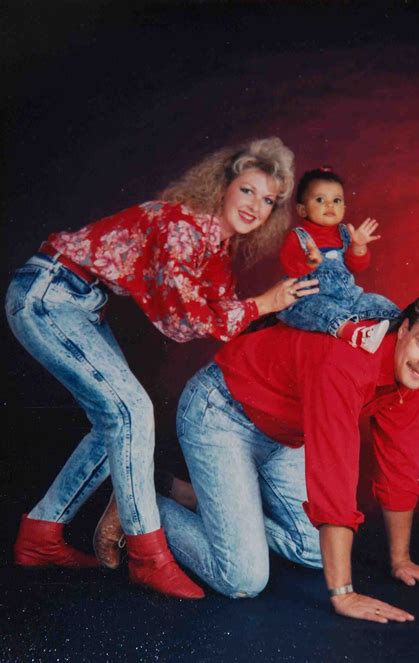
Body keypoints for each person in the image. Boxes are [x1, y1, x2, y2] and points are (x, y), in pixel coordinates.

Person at [5, 137, 318, 599]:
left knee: (114, 421)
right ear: (223, 186)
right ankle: (149, 554)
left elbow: (229, 314)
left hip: (80, 302)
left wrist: (295, 280)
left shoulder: (215, 249)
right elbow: (182, 323)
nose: (256, 205)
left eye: (269, 200)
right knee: (131, 412)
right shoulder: (182, 225)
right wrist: (262, 302)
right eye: (248, 190)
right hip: (49, 292)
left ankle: (41, 534)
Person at [155, 292, 419, 621]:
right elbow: (333, 474)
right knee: (242, 578)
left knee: (315, 551)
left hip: (283, 435)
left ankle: (196, 497)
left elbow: (399, 469)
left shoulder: (408, 380)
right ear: (404, 329)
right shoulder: (348, 359)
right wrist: (343, 595)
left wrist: (401, 560)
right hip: (222, 413)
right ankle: (145, 508)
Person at [277, 167, 400, 352]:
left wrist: (358, 246)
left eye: (336, 200)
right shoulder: (299, 236)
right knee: (323, 311)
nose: (330, 205)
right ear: (302, 209)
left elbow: (356, 266)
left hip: (349, 298)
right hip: (312, 298)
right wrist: (308, 262)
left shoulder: (345, 233)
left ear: (343, 208)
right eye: (320, 200)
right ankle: (354, 333)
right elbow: (290, 267)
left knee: (379, 302)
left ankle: (400, 326)